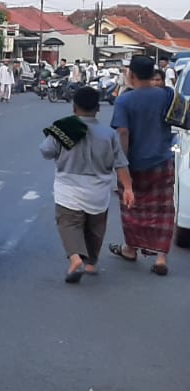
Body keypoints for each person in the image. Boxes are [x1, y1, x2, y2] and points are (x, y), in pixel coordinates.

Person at [41, 86, 131, 284]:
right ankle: (90, 263)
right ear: (97, 108)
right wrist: (128, 189)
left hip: (69, 188)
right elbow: (121, 164)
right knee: (96, 227)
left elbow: (46, 152)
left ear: (74, 107)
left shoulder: (64, 128)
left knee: (68, 223)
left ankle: (75, 259)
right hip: (99, 190)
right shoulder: (108, 134)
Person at [109, 55, 176, 275]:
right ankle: (161, 258)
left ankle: (130, 249)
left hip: (134, 163)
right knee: (163, 207)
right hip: (162, 160)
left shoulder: (124, 100)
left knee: (132, 208)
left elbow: (123, 133)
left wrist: (122, 164)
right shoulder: (167, 94)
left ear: (132, 75)